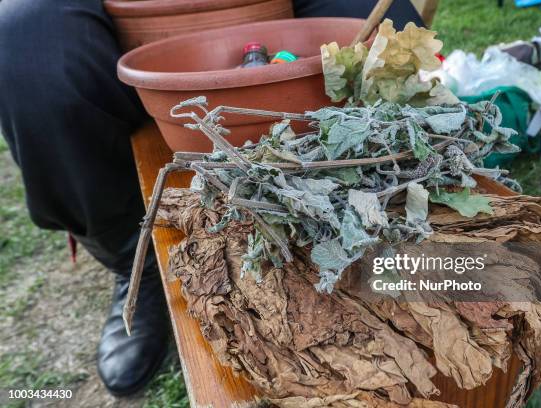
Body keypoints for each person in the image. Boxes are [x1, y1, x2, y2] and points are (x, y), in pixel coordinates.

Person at [0, 0, 423, 397]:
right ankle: (137, 261)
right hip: (123, 25)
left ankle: (389, 226)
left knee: (391, 29)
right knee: (25, 48)